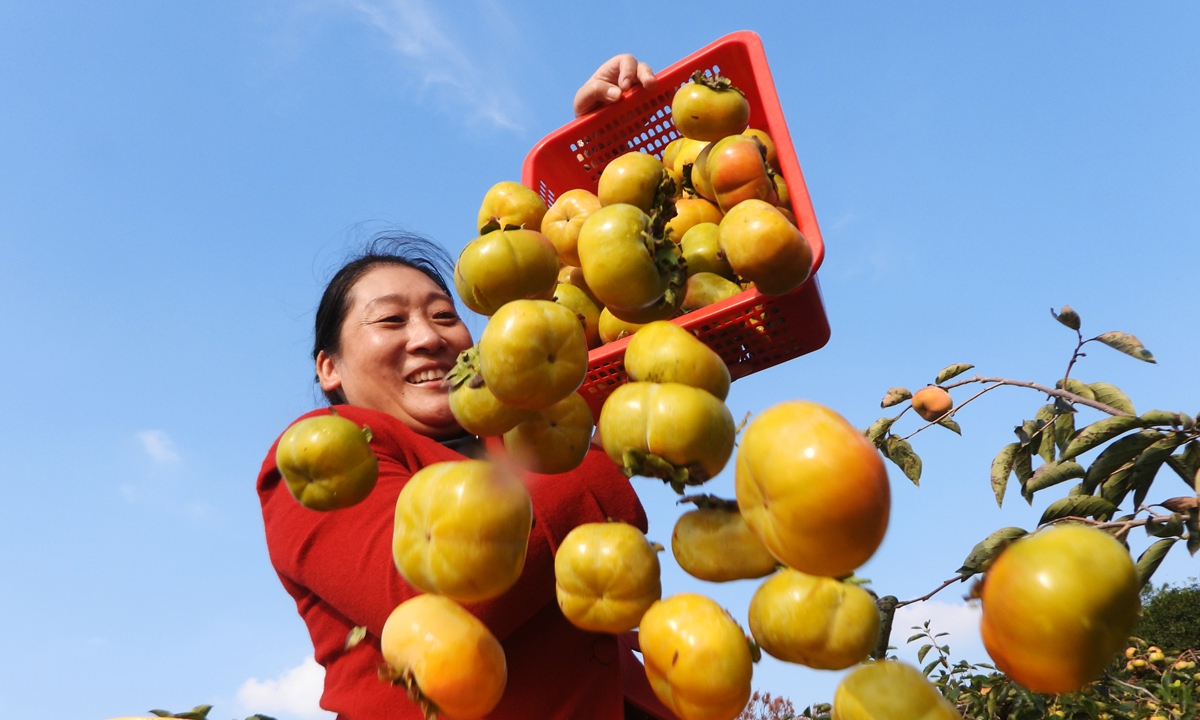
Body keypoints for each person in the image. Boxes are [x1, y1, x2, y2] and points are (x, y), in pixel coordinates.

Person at [257, 57, 679, 720]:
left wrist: (609, 172)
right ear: (328, 368)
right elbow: (429, 596)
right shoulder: (327, 457)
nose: (429, 337)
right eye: (391, 320)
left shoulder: (519, 428)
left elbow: (623, 306)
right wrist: (583, 451)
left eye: (445, 315)